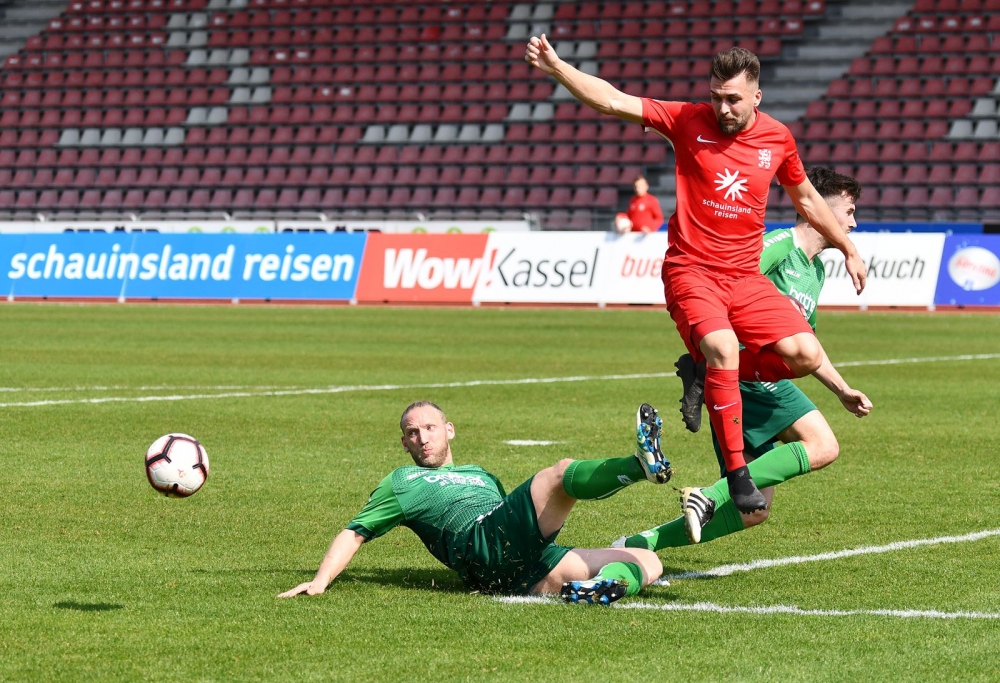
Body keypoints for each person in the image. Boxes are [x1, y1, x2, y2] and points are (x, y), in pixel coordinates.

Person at [525, 37, 867, 514]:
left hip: (744, 278)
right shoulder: (687, 120)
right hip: (693, 271)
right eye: (715, 96)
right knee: (724, 346)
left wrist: (849, 249)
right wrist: (559, 68)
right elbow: (613, 100)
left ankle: (705, 373)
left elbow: (808, 199)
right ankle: (737, 472)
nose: (722, 108)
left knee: (806, 354)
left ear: (757, 97)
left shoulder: (778, 139)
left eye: (733, 99)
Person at [615, 167, 873, 551]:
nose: (853, 223)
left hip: (760, 377)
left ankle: (637, 544)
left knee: (754, 510)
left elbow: (807, 347)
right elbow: (727, 285)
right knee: (823, 445)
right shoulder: (779, 245)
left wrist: (841, 389)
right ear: (818, 207)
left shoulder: (815, 271)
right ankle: (708, 492)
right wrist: (714, 349)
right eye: (849, 211)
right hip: (743, 374)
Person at [279, 401, 671, 605]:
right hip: (478, 543)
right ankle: (638, 466)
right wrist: (320, 581)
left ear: (448, 430)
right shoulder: (403, 481)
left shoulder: (481, 474)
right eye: (412, 433)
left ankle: (591, 590)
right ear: (403, 443)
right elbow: (355, 532)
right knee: (559, 474)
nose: (422, 438)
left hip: (513, 567)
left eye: (429, 428)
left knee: (647, 561)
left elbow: (510, 516)